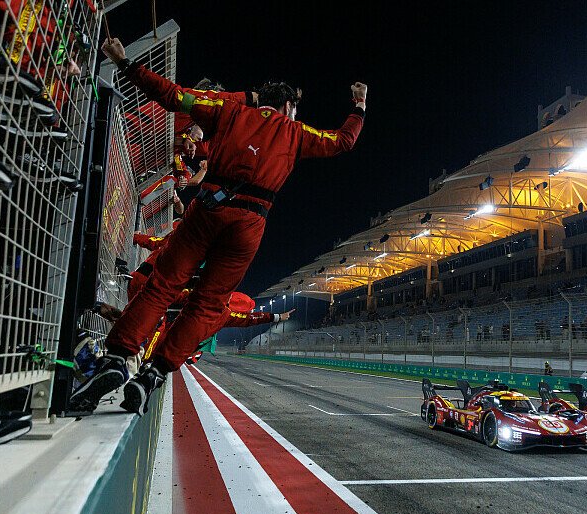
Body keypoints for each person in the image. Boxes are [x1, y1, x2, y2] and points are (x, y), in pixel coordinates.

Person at [70, 38, 367, 415]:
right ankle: (155, 373)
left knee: (162, 285)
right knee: (209, 305)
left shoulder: (228, 109)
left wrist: (127, 65)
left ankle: (116, 357)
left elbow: (177, 97)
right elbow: (342, 141)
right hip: (251, 222)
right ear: (288, 107)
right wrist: (358, 105)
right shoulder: (296, 133)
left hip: (209, 208)